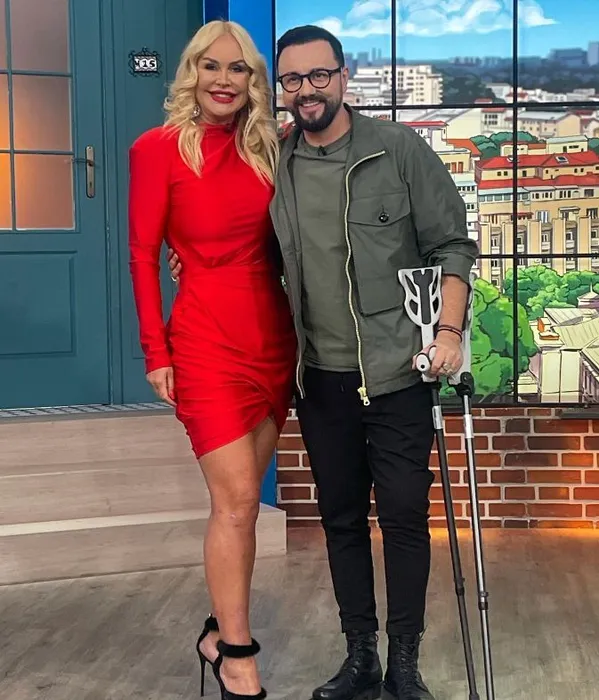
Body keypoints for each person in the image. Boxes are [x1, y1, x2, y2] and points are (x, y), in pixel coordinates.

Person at [169, 23, 479, 700]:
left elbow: (453, 245)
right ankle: (360, 657)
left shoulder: (397, 150)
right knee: (340, 522)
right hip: (319, 379)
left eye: (318, 75)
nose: (306, 89)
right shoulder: (273, 162)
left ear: (342, 77)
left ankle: (404, 664)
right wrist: (191, 257)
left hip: (399, 373)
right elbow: (234, 239)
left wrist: (450, 331)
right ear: (279, 88)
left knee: (403, 518)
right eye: (292, 79)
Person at [128, 20, 296, 700]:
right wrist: (155, 351)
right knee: (235, 502)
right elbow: (143, 254)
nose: (224, 80)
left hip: (273, 339)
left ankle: (216, 631)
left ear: (253, 81)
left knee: (244, 507)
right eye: (211, 66)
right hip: (204, 341)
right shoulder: (156, 149)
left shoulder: (273, 150)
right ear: (191, 73)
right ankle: (237, 656)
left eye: (238, 69)